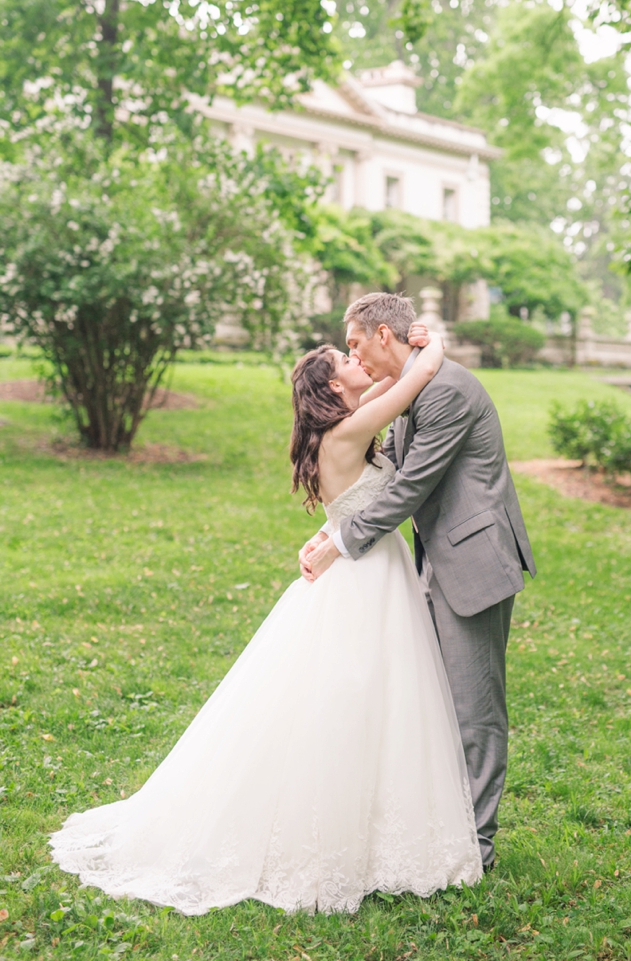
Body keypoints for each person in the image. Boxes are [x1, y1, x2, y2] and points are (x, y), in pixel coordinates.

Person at [50, 324, 482, 915]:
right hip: (364, 580)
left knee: (380, 698)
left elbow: (363, 468)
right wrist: (426, 341)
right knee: (359, 697)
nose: (358, 358)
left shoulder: (342, 429)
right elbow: (420, 375)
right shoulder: (349, 428)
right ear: (334, 384)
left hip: (366, 569)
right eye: (346, 357)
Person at [300, 292, 535, 871]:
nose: (355, 358)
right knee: (431, 703)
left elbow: (413, 486)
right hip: (432, 563)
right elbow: (392, 475)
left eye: (355, 344)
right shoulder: (413, 388)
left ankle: (476, 846)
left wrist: (340, 538)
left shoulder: (446, 390)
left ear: (385, 335)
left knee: (475, 710)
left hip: (473, 564)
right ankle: (439, 829)